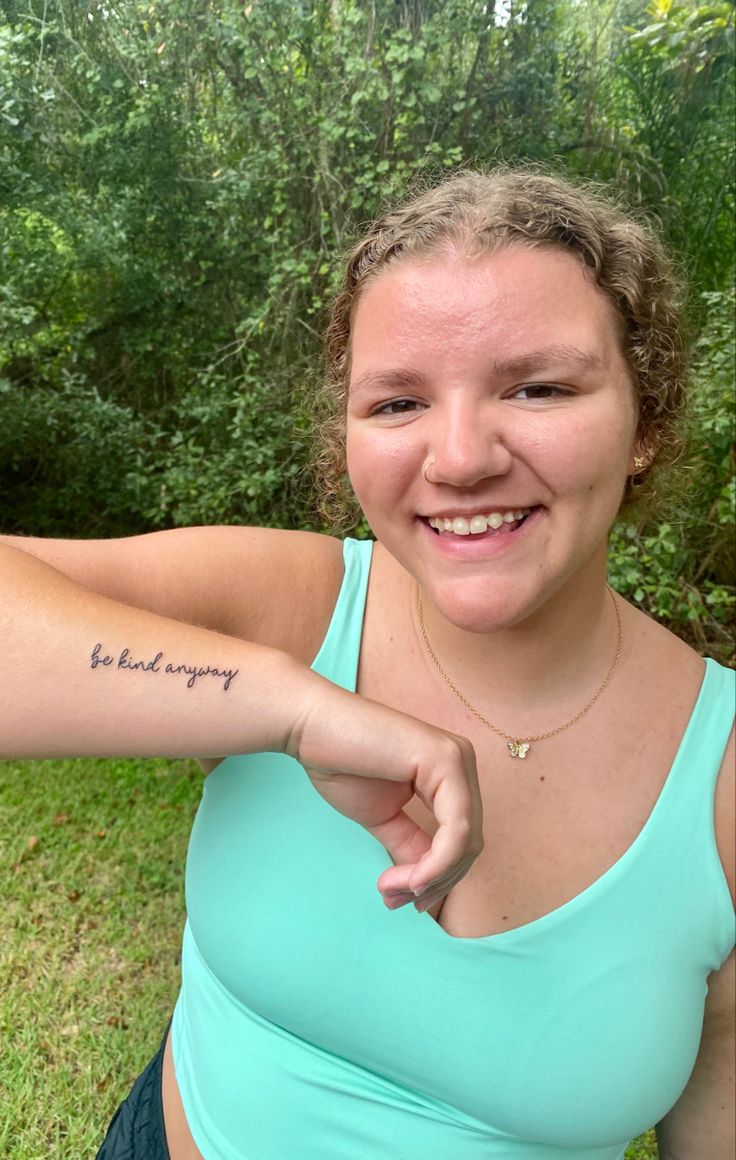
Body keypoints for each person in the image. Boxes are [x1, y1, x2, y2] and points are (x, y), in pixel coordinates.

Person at [1, 167, 733, 1160]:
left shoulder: (722, 775)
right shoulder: (291, 609)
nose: (460, 455)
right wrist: (283, 703)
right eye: (397, 402)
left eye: (538, 386)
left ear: (646, 422)